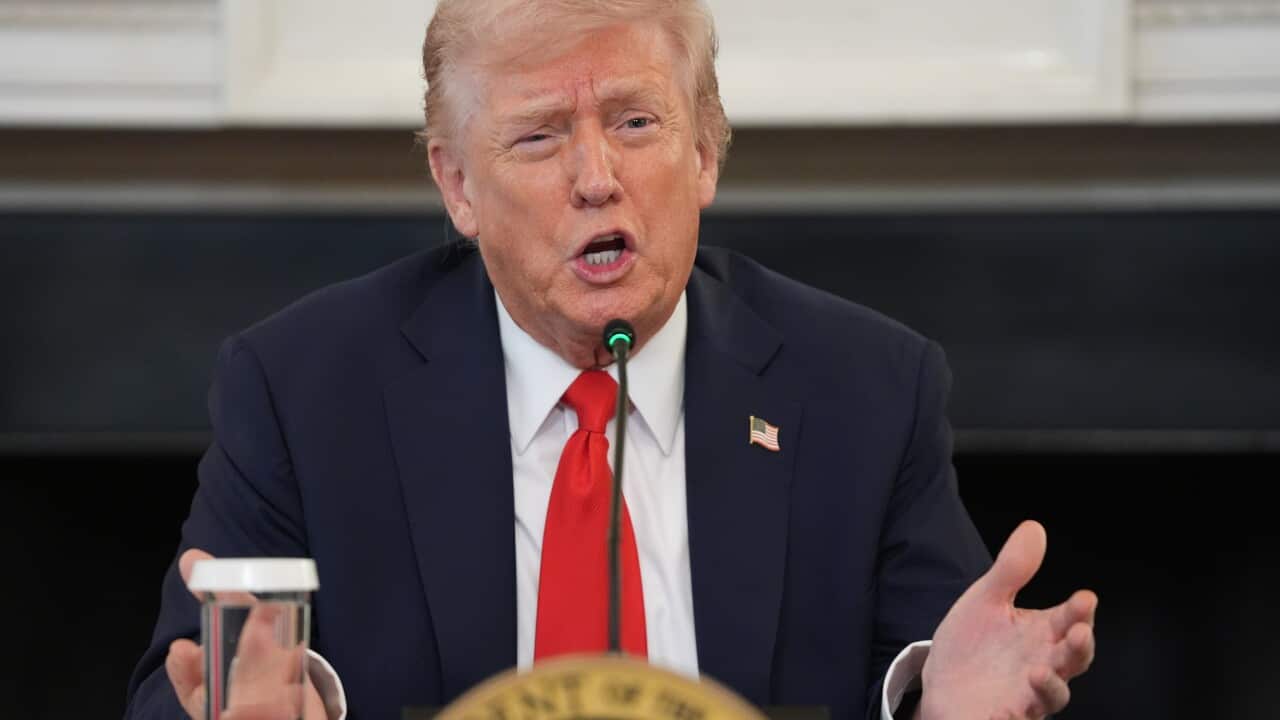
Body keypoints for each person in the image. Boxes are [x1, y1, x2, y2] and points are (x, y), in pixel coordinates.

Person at [125, 1, 1097, 718]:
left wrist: (940, 709)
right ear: (456, 183)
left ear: (705, 151)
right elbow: (179, 691)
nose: (597, 179)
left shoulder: (862, 390)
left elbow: (953, 668)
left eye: (635, 123)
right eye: (541, 137)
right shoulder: (303, 389)